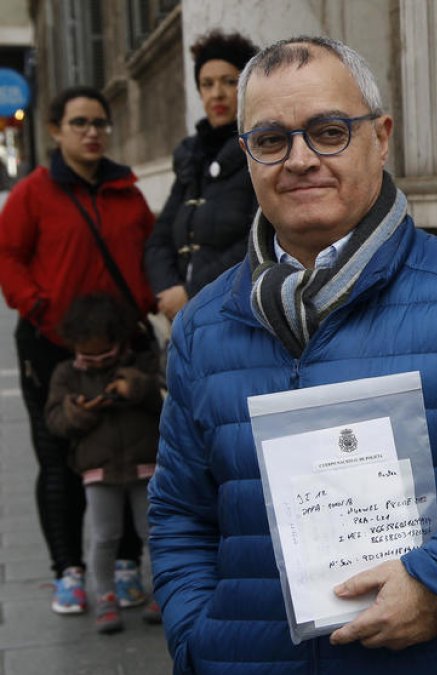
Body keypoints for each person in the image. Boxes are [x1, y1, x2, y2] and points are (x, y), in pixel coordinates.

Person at [147, 36, 437, 674]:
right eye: (271, 140)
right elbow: (180, 512)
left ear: (380, 137)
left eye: (328, 131)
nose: (299, 159)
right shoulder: (203, 327)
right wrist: (200, 638)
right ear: (246, 154)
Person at [0, 86, 156, 616]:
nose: (93, 132)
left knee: (131, 453)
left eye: (100, 123)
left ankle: (127, 565)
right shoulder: (33, 194)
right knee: (58, 454)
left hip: (123, 349)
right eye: (80, 123)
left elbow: (149, 251)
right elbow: (10, 257)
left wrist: (145, 302)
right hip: (51, 349)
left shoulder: (126, 191)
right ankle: (68, 570)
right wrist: (41, 309)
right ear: (55, 131)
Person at [44, 293, 162, 634]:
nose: (95, 362)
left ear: (119, 342)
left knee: (153, 532)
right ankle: (106, 596)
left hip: (143, 465)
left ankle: (161, 591)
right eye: (87, 356)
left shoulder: (139, 365)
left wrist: (135, 387)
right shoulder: (66, 374)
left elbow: (161, 397)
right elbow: (54, 420)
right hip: (97, 471)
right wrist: (78, 410)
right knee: (103, 536)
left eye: (103, 354)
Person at [143, 30, 259, 320]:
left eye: (229, 82)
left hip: (236, 311)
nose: (216, 93)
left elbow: (258, 238)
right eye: (207, 84)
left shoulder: (261, 151)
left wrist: (191, 291)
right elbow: (159, 241)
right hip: (185, 315)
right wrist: (168, 290)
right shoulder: (190, 158)